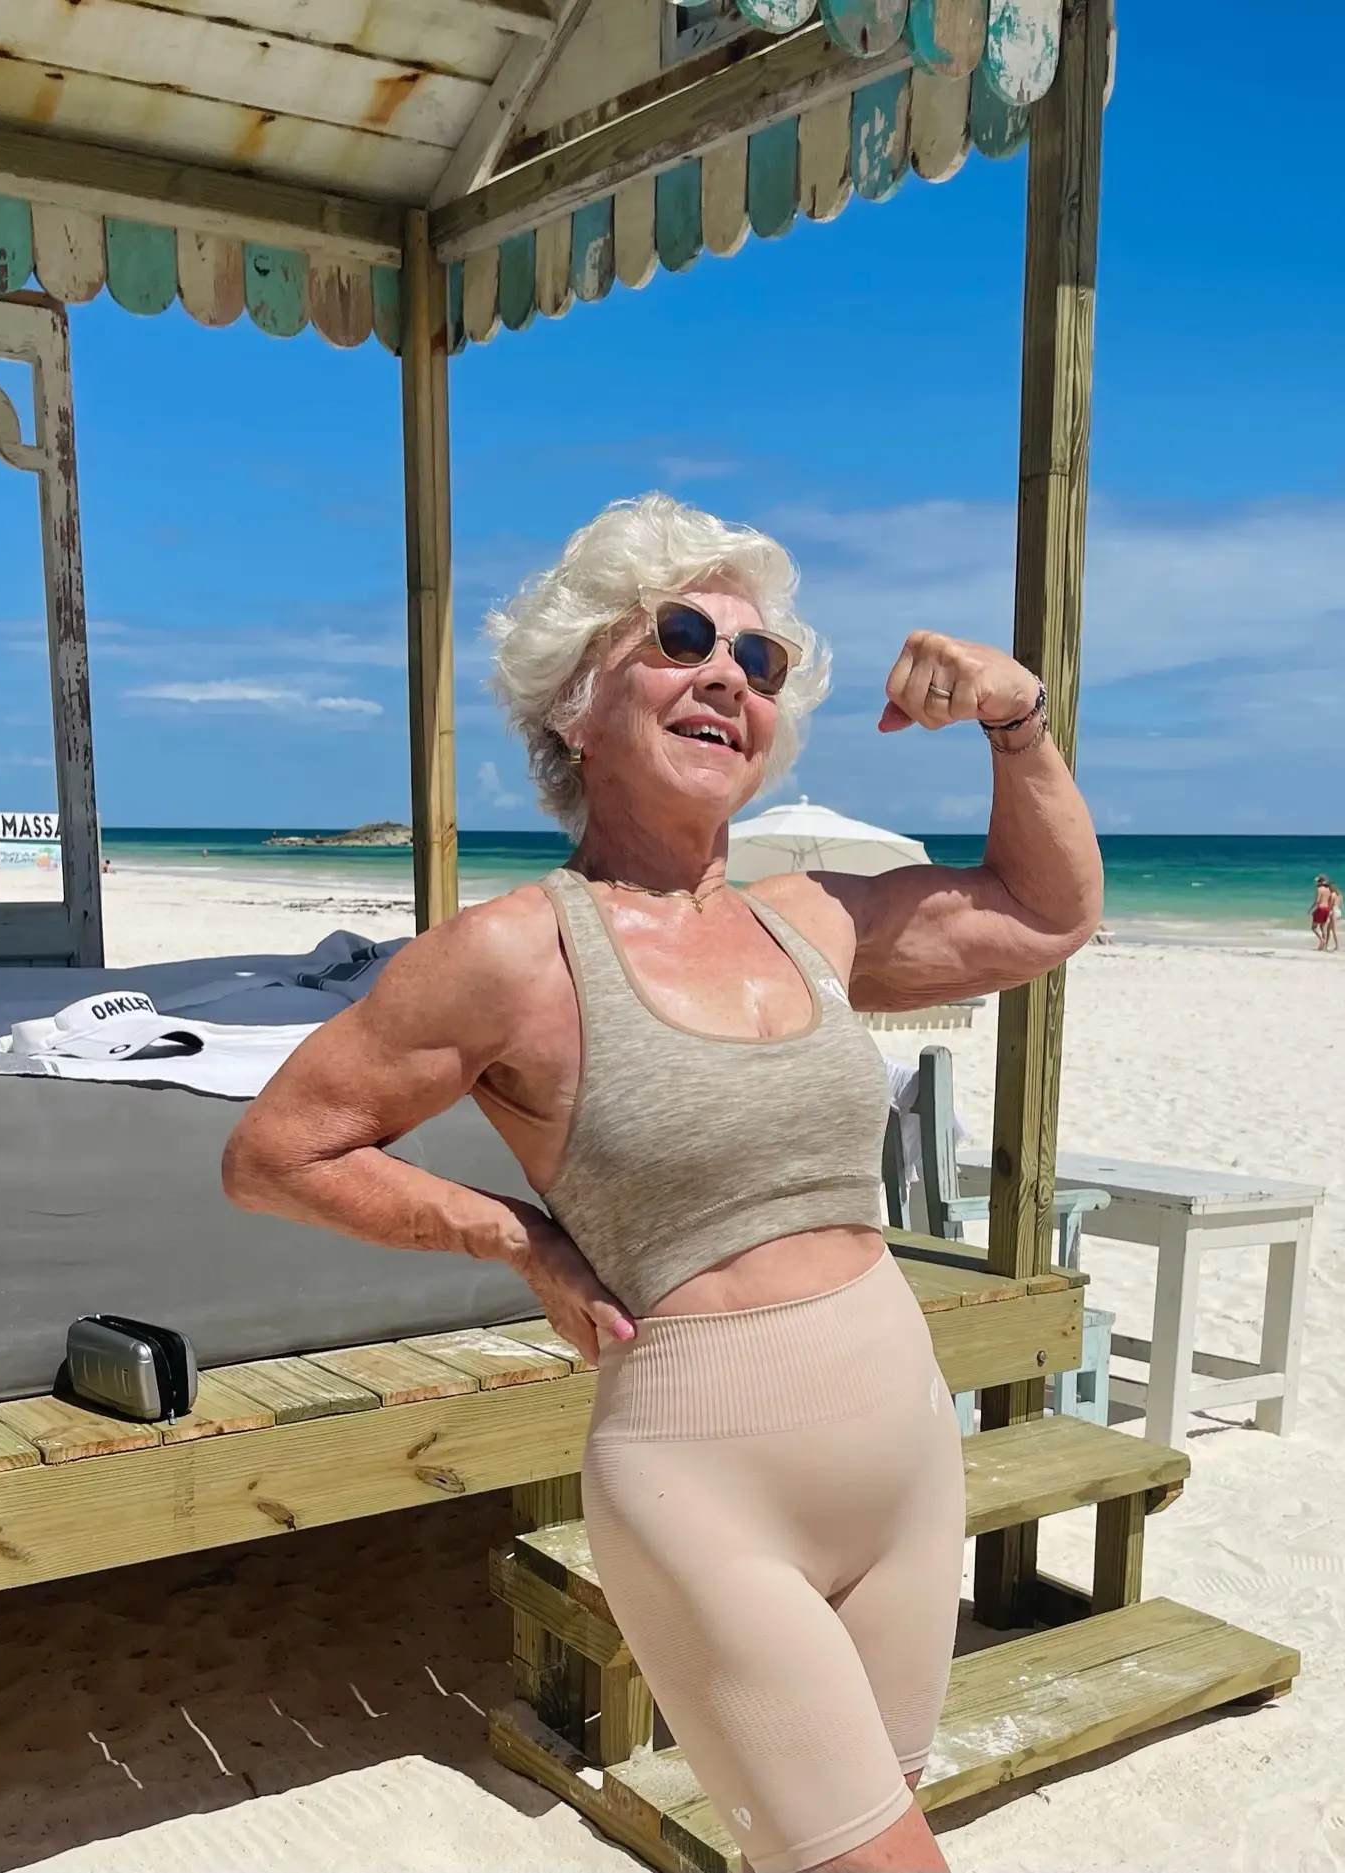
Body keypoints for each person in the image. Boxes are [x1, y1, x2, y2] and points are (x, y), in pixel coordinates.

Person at [221, 495, 1102, 1873]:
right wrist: (516, 1239)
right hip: (707, 1491)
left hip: (904, 1462)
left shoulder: (811, 918)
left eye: (757, 663)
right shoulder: (515, 953)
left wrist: (1016, 721)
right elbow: (278, 1152)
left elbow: (1048, 913)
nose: (726, 677)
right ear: (577, 702)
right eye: (680, 638)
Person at [1311, 874, 1342, 951]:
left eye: (1318, 881)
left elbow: (1320, 902)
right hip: (1332, 910)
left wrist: (1311, 909)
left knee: (1316, 928)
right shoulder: (1332, 892)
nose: (1317, 883)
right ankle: (1323, 946)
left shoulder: (1322, 890)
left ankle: (1324, 941)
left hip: (1326, 909)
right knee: (1324, 928)